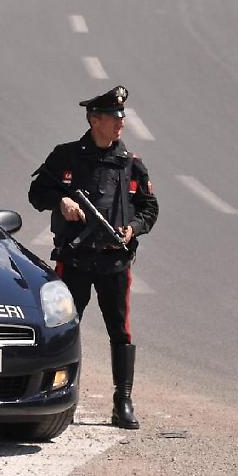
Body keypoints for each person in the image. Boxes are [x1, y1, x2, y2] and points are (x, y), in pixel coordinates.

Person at [28, 85, 158, 429]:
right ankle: (59, 397)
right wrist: (62, 202)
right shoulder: (66, 156)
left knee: (121, 330)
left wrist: (132, 228)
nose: (121, 124)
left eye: (122, 118)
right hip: (75, 260)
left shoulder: (131, 165)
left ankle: (123, 400)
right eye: (114, 118)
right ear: (94, 120)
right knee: (65, 328)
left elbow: (149, 207)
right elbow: (37, 191)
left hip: (115, 261)